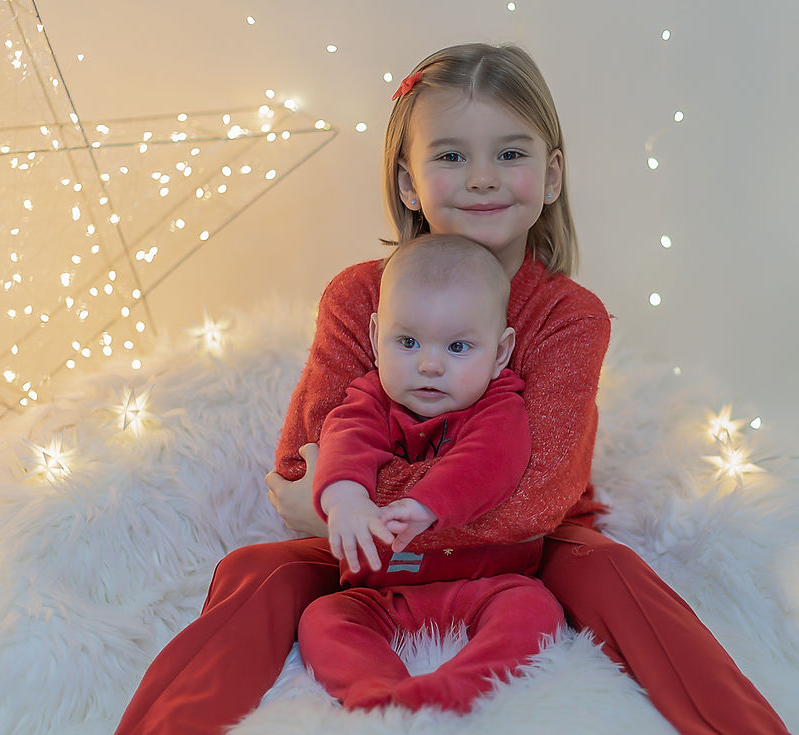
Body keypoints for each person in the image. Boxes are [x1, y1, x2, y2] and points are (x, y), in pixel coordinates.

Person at [114, 43, 789, 735]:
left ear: (552, 175)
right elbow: (298, 469)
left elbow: (538, 498)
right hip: (365, 548)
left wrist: (359, 502)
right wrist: (350, 510)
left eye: (510, 153)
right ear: (408, 183)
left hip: (527, 551)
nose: (482, 178)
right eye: (451, 155)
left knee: (613, 570)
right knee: (258, 569)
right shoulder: (359, 296)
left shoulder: (567, 315)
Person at [299, 233, 564, 712]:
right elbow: (344, 441)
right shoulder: (370, 400)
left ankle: (460, 688)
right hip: (383, 592)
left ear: (499, 353)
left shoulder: (498, 405)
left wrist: (425, 504)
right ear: (376, 338)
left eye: (458, 346)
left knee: (535, 609)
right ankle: (380, 697)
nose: (429, 365)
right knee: (322, 619)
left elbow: (490, 461)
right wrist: (345, 499)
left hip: (486, 583)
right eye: (407, 342)